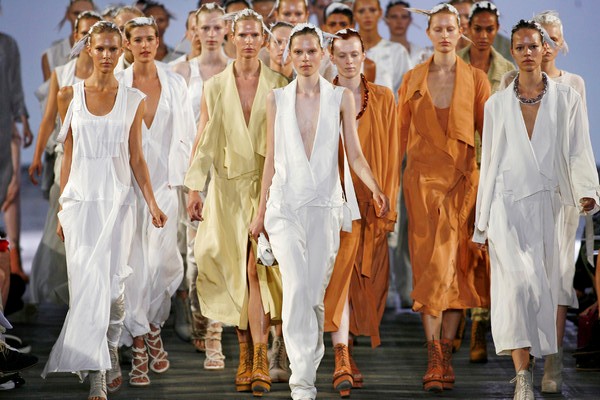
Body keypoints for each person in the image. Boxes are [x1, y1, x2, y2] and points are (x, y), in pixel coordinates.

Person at [249, 23, 390, 400]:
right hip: (285, 207)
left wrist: (375, 188)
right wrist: (260, 213)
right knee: (296, 288)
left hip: (325, 208)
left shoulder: (340, 98)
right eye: (298, 52)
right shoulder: (276, 99)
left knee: (312, 296)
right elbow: (270, 159)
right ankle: (302, 384)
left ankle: (306, 370)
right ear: (289, 56)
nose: (305, 58)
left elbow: (354, 154)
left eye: (312, 51)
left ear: (323, 54)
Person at [472, 19, 598, 400]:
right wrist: (482, 221)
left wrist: (587, 190)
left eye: (533, 46)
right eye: (520, 47)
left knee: (540, 289)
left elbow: (579, 148)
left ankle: (541, 364)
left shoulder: (567, 99)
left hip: (549, 204)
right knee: (514, 287)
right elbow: (490, 162)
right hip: (506, 205)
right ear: (512, 52)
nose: (527, 53)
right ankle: (522, 375)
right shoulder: (496, 105)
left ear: (545, 49)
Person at [41, 21, 167, 400]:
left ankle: (111, 346)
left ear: (122, 49)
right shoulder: (68, 95)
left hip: (118, 203)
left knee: (112, 290)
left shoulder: (133, 99)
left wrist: (152, 202)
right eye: (100, 48)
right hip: (80, 204)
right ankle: (97, 372)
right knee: (85, 288)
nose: (107, 55)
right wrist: (63, 207)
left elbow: (136, 157)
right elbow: (68, 155)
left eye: (113, 48)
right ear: (88, 50)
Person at [184, 9, 288, 396]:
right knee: (233, 274)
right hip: (226, 191)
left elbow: (286, 145)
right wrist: (194, 188)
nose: (247, 41)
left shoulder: (279, 84)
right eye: (241, 35)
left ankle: (260, 356)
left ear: (263, 40)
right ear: (231, 37)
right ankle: (245, 354)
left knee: (257, 272)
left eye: (253, 35)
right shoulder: (214, 86)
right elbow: (204, 135)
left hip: (266, 187)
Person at [397, 4, 490, 392]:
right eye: (438, 29)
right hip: (420, 187)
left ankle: (443, 354)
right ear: (429, 33)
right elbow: (398, 138)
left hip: (462, 186)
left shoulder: (476, 79)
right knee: (429, 268)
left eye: (451, 28)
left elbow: (491, 137)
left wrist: (491, 190)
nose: (445, 35)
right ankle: (435, 353)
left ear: (460, 30)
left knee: (456, 269)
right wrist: (385, 186)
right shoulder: (412, 78)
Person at [117, 17, 195, 387]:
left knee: (164, 265)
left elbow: (189, 136)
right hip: (128, 188)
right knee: (135, 267)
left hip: (166, 185)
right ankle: (141, 344)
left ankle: (151, 327)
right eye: (138, 39)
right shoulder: (118, 84)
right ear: (127, 44)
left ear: (158, 40)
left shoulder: (175, 82)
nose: (145, 45)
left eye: (151, 38)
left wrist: (192, 187)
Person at [324, 28, 399, 396]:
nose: (350, 61)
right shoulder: (322, 96)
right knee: (340, 275)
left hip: (372, 199)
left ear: (364, 55)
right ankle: (342, 354)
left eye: (355, 54)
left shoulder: (383, 97)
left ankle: (348, 348)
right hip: (334, 198)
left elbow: (393, 151)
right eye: (342, 55)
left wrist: (389, 204)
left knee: (370, 281)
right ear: (331, 57)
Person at [28, 10, 102, 306]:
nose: (88, 39)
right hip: (67, 156)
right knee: (63, 221)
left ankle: (87, 292)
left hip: (99, 158)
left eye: (93, 34)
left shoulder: (109, 72)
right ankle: (64, 292)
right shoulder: (63, 72)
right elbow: (48, 119)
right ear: (75, 36)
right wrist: (36, 156)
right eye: (84, 33)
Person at [172, 2, 231, 366]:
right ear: (194, 30)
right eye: (204, 27)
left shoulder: (239, 68)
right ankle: (198, 315)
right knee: (195, 257)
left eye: (216, 27)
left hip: (230, 172)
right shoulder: (180, 71)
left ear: (226, 30)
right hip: (194, 171)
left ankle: (214, 331)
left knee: (223, 252)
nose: (210, 34)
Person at [456, 0, 514, 364]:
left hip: (492, 166)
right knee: (455, 245)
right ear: (467, 28)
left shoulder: (507, 70)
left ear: (497, 29)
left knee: (484, 248)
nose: (482, 35)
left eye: (489, 29)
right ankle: (458, 315)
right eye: (477, 28)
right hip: (457, 165)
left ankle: (479, 320)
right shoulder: (452, 64)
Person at [0, 23, 33, 285]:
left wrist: (22, 120)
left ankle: (15, 261)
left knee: (11, 188)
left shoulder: (7, 44)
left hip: (5, 124)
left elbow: (14, 86)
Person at [353, 0, 411, 97]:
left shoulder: (397, 51)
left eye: (372, 10)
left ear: (380, 13)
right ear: (354, 15)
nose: (367, 15)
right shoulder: (344, 52)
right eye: (361, 11)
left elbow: (407, 92)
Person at [319, 2, 375, 83]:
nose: (337, 28)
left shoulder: (367, 66)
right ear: (323, 27)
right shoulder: (314, 61)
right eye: (332, 24)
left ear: (352, 26)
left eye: (343, 24)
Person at [41, 0, 96, 81]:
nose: (81, 18)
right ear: (68, 15)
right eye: (76, 13)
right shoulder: (51, 56)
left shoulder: (106, 52)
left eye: (87, 14)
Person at [384, 0, 429, 66]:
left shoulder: (422, 54)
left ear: (410, 20)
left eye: (404, 17)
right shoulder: (377, 53)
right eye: (394, 17)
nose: (399, 21)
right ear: (386, 20)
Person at [114, 6, 145, 73]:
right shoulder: (107, 72)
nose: (126, 35)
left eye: (133, 27)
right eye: (122, 29)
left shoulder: (164, 71)